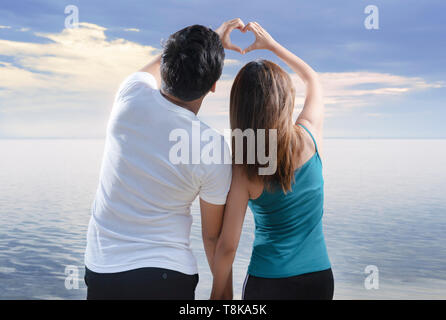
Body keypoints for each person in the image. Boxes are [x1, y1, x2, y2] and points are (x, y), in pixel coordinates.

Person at [84, 19, 246, 299]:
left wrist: (211, 41)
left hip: (103, 270)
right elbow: (211, 237)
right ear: (214, 87)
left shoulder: (130, 97)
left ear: (166, 66)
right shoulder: (212, 147)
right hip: (167, 276)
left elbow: (156, 67)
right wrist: (224, 295)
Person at [210, 22, 334, 300]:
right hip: (319, 280)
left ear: (240, 111)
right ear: (286, 100)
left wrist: (218, 295)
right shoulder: (310, 137)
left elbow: (228, 246)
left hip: (268, 283)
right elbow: (312, 79)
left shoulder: (245, 169)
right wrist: (272, 46)